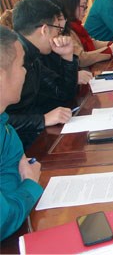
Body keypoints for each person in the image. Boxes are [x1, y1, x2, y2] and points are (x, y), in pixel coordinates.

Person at [6, 0, 79, 150]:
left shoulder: (32, 55)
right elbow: (3, 119)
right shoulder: (10, 58)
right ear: (45, 30)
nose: (59, 35)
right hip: (17, 147)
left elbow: (63, 92)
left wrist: (67, 58)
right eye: (57, 30)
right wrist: (42, 119)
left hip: (30, 139)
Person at [0, 26, 43, 240]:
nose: (25, 71)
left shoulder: (4, 125)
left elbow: (11, 180)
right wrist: (30, 187)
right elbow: (3, 220)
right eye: (21, 65)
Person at [54, 0, 113, 67]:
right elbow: (81, 58)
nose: (85, 11)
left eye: (86, 7)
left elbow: (91, 42)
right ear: (70, 6)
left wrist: (112, 44)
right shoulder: (64, 30)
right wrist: (111, 50)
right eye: (83, 6)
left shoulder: (76, 25)